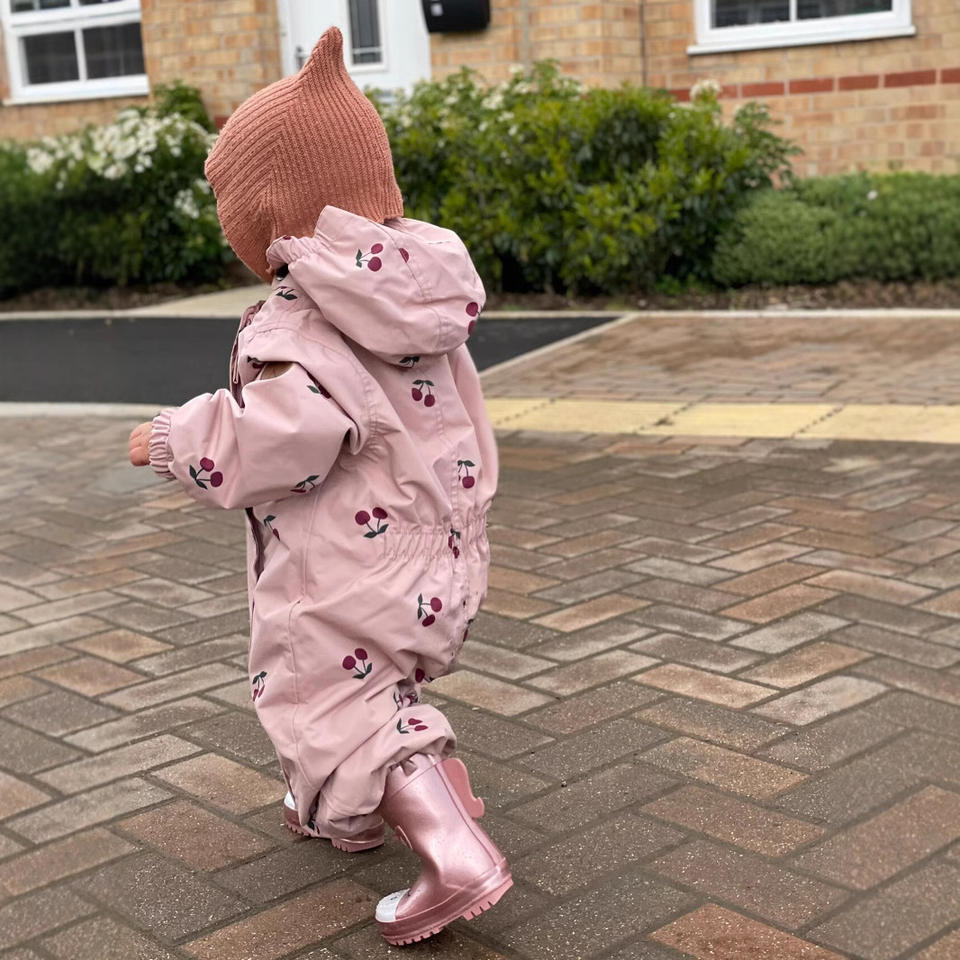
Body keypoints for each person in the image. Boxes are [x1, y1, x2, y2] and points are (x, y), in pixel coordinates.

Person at [126, 26, 510, 946]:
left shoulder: (303, 325)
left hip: (343, 561)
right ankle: (347, 810)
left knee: (318, 696)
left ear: (267, 219)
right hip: (437, 548)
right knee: (369, 685)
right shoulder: (413, 293)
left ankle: (453, 851)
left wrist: (174, 439)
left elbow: (280, 437)